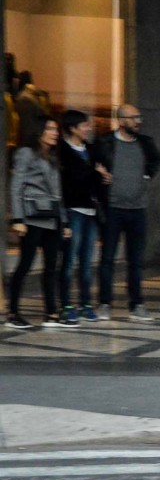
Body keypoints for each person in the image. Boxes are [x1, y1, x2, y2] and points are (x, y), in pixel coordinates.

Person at [97, 104, 160, 322]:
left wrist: (146, 177)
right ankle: (104, 303)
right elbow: (93, 162)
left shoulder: (145, 144)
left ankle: (137, 305)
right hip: (113, 209)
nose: (139, 121)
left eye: (139, 117)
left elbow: (156, 160)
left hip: (137, 209)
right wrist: (99, 173)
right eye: (134, 118)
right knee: (107, 260)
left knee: (136, 261)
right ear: (122, 121)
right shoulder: (106, 142)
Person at [8, 118, 72, 329]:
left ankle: (51, 313)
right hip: (31, 217)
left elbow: (58, 193)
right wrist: (18, 219)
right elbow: (16, 185)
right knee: (25, 265)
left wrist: (63, 222)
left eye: (56, 129)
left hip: (51, 218)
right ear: (39, 131)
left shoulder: (52, 156)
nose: (55, 133)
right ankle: (13, 312)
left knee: (51, 267)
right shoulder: (26, 153)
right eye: (50, 129)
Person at [57, 110, 104, 323]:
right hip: (72, 210)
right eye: (85, 125)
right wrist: (96, 174)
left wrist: (99, 176)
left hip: (91, 212)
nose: (89, 128)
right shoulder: (63, 152)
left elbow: (96, 179)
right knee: (68, 262)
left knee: (86, 262)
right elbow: (73, 181)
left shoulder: (92, 150)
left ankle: (86, 304)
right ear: (73, 128)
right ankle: (66, 305)